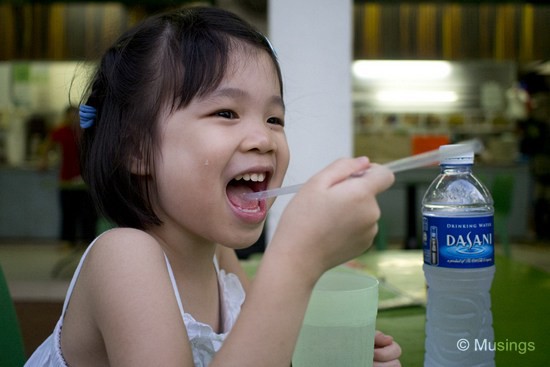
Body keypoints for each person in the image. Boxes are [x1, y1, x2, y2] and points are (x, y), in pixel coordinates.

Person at [26, 7, 401, 367]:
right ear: (136, 149)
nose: (264, 139)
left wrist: (332, 356)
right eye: (226, 113)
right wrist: (297, 261)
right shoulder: (123, 257)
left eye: (274, 118)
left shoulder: (219, 256)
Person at [39, 106, 97, 247]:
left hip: (85, 180)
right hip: (66, 179)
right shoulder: (61, 131)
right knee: (68, 212)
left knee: (88, 213)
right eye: (70, 115)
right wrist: (44, 159)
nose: (73, 118)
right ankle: (67, 241)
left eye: (76, 115)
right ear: (65, 117)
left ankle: (88, 241)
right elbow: (46, 145)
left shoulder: (87, 130)